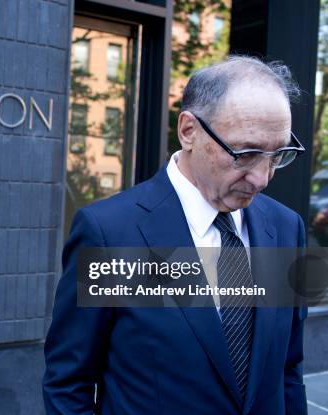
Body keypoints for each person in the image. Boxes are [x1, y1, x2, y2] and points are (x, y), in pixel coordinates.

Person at [43, 56, 308, 415]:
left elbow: (288, 370)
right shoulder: (108, 233)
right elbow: (67, 384)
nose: (262, 178)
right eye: (245, 154)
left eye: (277, 155)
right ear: (189, 131)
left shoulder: (289, 228)